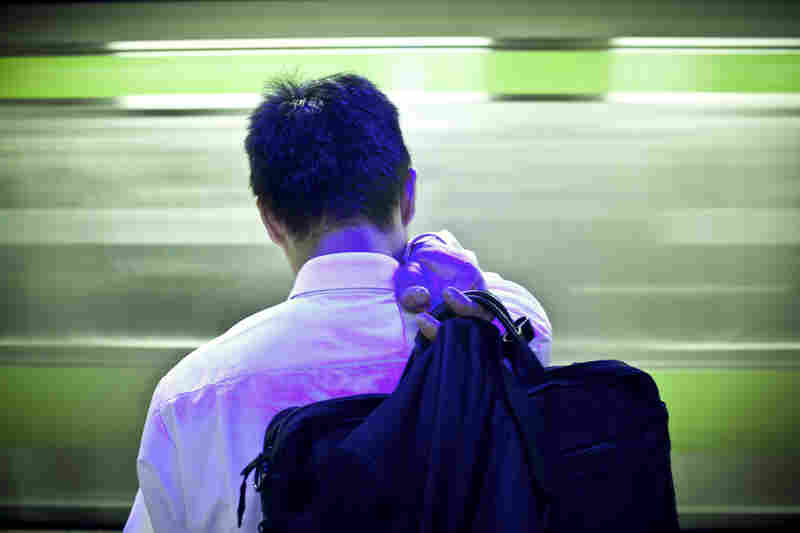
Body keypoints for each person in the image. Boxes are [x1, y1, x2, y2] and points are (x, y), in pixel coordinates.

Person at [122, 71, 552, 533]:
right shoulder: (495, 336)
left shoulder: (190, 394)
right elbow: (528, 325)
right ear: (407, 194)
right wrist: (455, 264)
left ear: (270, 219)